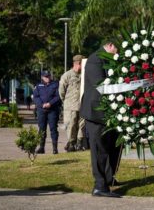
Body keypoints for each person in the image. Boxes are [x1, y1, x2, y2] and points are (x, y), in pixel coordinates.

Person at [80, 40, 122, 198]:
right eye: (116, 48)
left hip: (109, 112)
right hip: (96, 112)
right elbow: (100, 84)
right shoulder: (95, 59)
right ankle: (99, 185)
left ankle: (109, 179)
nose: (117, 52)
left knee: (114, 147)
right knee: (99, 149)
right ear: (110, 45)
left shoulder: (108, 59)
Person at [59, 54, 86, 152]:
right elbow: (61, 91)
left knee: (82, 125)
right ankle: (71, 143)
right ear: (78, 63)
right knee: (71, 125)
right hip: (71, 106)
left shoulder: (84, 75)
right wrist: (66, 102)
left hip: (82, 105)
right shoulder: (67, 75)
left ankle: (79, 143)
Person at [33, 70, 61, 154]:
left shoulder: (55, 85)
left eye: (48, 76)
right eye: (45, 76)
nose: (47, 78)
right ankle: (41, 147)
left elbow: (58, 96)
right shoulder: (38, 86)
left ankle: (55, 149)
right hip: (41, 110)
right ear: (42, 77)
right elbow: (35, 97)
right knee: (42, 129)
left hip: (52, 110)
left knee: (53, 129)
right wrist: (42, 105)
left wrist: (50, 103)